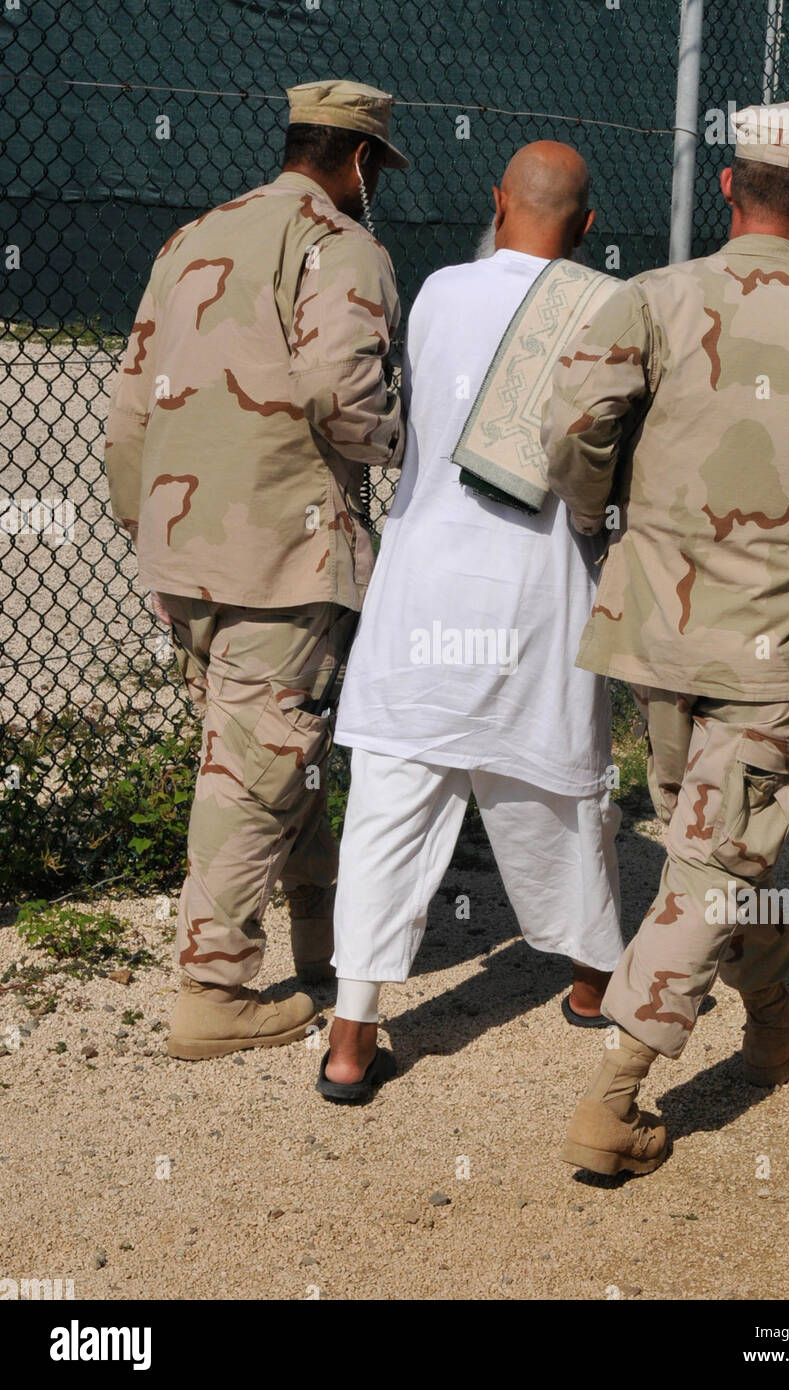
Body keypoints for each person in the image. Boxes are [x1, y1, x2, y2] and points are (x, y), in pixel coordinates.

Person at [542, 102, 789, 1175]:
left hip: (656, 628)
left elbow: (575, 429)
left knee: (711, 853)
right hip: (770, 642)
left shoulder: (647, 298)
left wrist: (598, 513)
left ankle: (776, 1014)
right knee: (714, 861)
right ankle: (612, 1102)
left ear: (730, 186)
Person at [104, 79, 407, 1059]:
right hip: (284, 545)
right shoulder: (341, 244)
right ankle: (212, 987)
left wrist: (144, 521)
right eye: (376, 172)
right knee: (256, 760)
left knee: (276, 745)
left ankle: (320, 938)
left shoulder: (190, 237)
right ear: (358, 160)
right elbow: (338, 390)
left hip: (182, 544)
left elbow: (129, 405)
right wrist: (407, 440)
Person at [316, 141, 625, 1102]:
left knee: (387, 812)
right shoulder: (611, 306)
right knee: (562, 792)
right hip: (537, 590)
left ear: (496, 203)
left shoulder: (441, 291)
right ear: (587, 227)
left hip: (425, 584)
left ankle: (350, 1041)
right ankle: (590, 980)